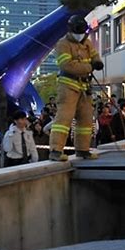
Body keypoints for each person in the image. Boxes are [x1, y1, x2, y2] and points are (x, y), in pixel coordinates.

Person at [48, 15, 103, 161]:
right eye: (78, 31)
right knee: (64, 119)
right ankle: (55, 151)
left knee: (85, 120)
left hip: (85, 86)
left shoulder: (87, 43)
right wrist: (90, 66)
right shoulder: (62, 44)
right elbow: (67, 65)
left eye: (82, 32)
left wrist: (97, 61)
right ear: (71, 30)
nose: (80, 35)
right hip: (68, 86)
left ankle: (83, 150)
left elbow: (94, 55)